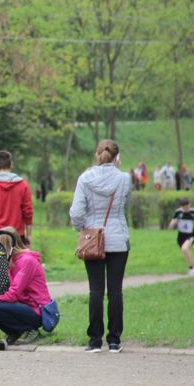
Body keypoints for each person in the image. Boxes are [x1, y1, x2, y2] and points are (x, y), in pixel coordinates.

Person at [69, 139, 132, 354]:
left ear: (97, 155)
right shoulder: (124, 178)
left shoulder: (85, 178)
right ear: (117, 157)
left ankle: (94, 341)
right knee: (115, 290)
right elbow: (126, 204)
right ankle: (114, 340)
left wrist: (83, 228)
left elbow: (76, 213)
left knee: (95, 290)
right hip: (118, 239)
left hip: (93, 240)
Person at [0, 227, 52, 345]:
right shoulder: (10, 261)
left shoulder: (27, 261)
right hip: (23, 305)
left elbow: (13, 294)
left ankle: (30, 329)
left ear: (6, 245)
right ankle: (15, 332)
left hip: (37, 311)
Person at [0, 150, 33, 245]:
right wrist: (28, 235)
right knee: (17, 260)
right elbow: (27, 211)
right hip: (16, 235)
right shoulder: (23, 185)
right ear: (11, 164)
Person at [168, 196, 194, 277]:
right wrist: (172, 224)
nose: (186, 209)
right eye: (184, 207)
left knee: (185, 249)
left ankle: (191, 269)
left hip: (190, 236)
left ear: (190, 205)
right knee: (185, 252)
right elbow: (173, 221)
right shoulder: (178, 212)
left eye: (187, 207)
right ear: (181, 207)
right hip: (180, 237)